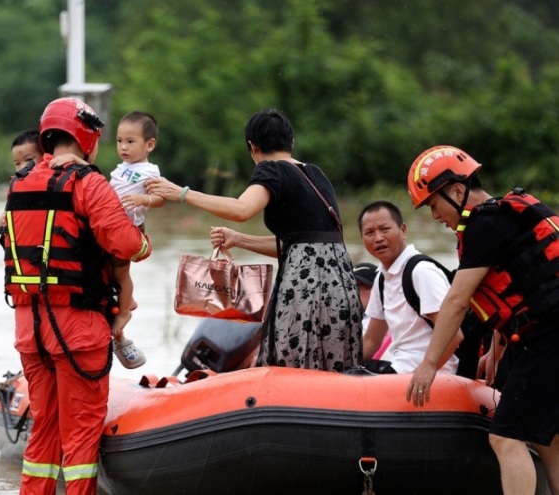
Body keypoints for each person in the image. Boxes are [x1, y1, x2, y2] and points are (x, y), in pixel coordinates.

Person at [2, 97, 152, 494]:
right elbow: (125, 244)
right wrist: (144, 244)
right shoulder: (89, 183)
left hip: (30, 329)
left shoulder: (19, 183)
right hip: (79, 329)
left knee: (43, 431)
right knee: (81, 433)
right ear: (87, 137)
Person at [146, 108, 362, 372]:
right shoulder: (315, 174)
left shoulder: (271, 170)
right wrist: (239, 239)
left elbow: (241, 209)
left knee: (291, 365)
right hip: (339, 280)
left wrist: (181, 193)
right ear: (290, 142)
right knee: (334, 367)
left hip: (305, 285)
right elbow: (300, 246)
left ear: (253, 146)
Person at [405, 145, 559, 495]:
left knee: (505, 437)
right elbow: (521, 290)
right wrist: (497, 350)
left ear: (457, 190)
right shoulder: (504, 217)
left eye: (432, 204)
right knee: (549, 439)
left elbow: (457, 301)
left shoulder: (484, 225)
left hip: (548, 338)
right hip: (542, 334)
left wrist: (429, 365)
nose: (434, 217)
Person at [358, 200, 461, 374]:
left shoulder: (421, 272)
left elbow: (454, 336)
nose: (378, 238)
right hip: (400, 367)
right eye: (369, 232)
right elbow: (371, 341)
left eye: (385, 229)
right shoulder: (382, 278)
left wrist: (426, 371)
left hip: (432, 374)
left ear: (403, 230)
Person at [104, 111, 166, 369]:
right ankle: (125, 300)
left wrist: (144, 200)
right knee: (107, 271)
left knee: (120, 271)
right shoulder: (121, 169)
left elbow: (162, 198)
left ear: (149, 144)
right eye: (119, 141)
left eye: (130, 141)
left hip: (129, 228)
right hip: (111, 226)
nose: (123, 147)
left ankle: (126, 309)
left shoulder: (150, 171)